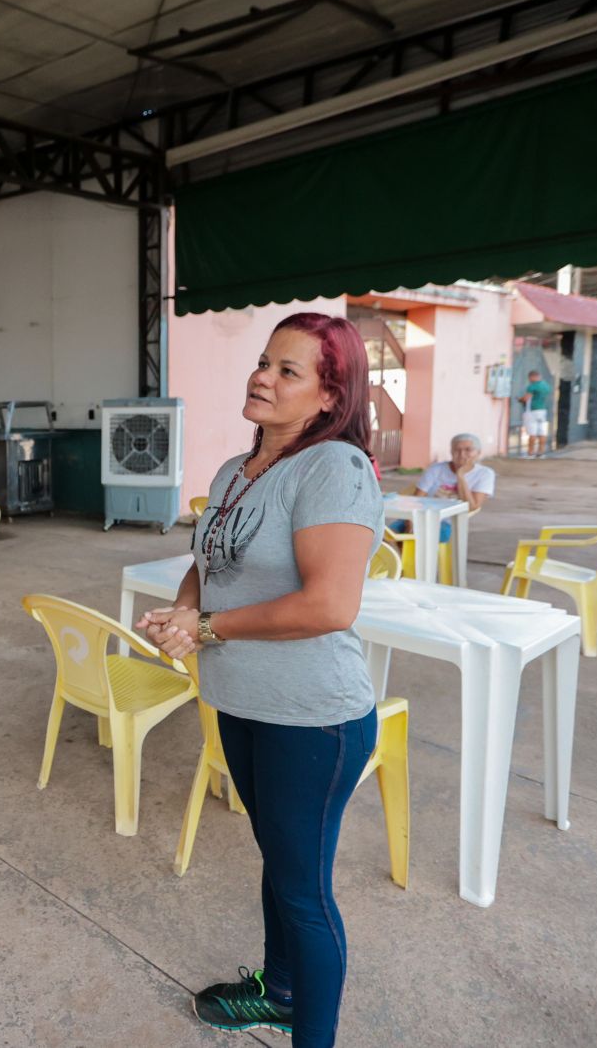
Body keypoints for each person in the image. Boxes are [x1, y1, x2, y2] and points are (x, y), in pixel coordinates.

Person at [136, 312, 382, 1048]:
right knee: (279, 862)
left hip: (313, 718)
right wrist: (185, 611)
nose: (261, 376)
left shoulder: (333, 468)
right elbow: (206, 562)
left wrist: (210, 630)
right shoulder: (234, 470)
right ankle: (276, 993)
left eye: (287, 370)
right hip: (242, 703)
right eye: (263, 361)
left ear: (329, 397)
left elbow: (329, 604)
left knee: (304, 892)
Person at [388, 431, 494, 543]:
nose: (462, 454)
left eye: (468, 450)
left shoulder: (485, 474)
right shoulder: (436, 469)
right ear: (451, 452)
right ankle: (402, 559)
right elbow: (417, 499)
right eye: (457, 450)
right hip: (422, 516)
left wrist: (460, 475)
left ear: (478, 453)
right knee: (386, 536)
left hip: (449, 522)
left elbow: (472, 506)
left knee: (422, 540)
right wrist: (411, 522)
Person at [519, 369, 552, 457]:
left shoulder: (532, 386)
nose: (529, 379)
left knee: (532, 432)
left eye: (529, 378)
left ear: (532, 377)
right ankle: (541, 451)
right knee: (542, 432)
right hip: (543, 410)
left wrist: (520, 399)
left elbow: (526, 398)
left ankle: (530, 451)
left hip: (532, 410)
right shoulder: (545, 386)